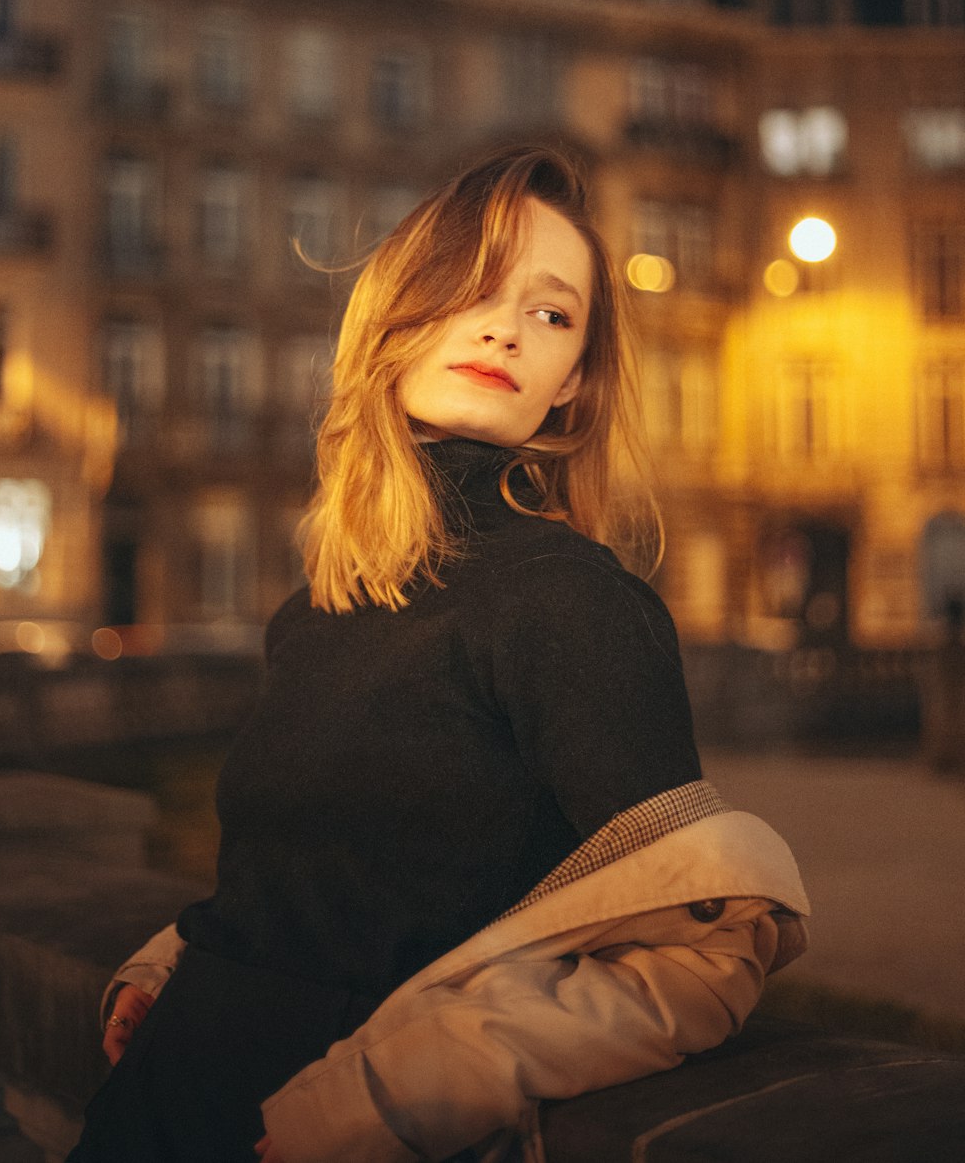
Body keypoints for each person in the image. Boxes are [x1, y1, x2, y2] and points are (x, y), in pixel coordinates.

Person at [68, 145, 809, 1163]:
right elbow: (316, 873)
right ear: (394, 320)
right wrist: (175, 962)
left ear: (572, 387)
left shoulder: (571, 602)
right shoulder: (316, 609)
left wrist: (391, 1096)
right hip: (157, 1106)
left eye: (552, 315)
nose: (506, 326)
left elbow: (706, 950)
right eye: (471, 289)